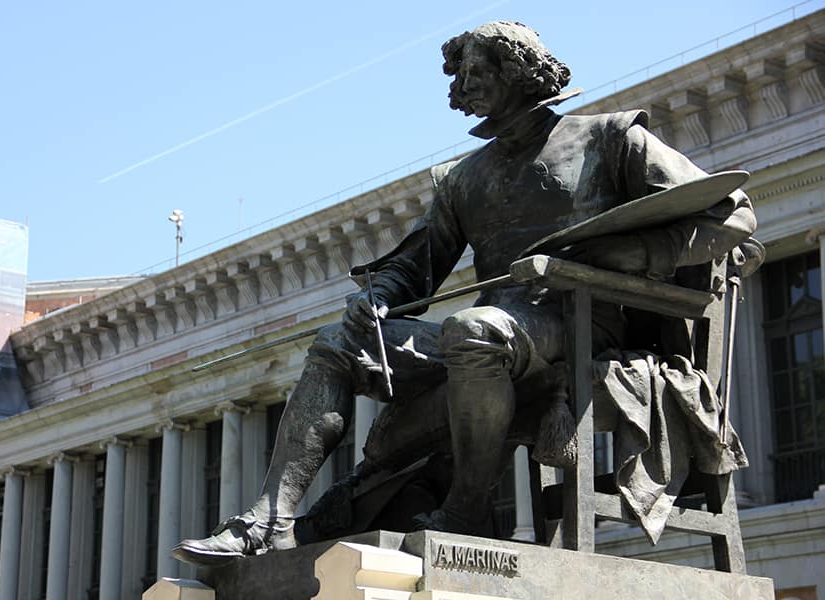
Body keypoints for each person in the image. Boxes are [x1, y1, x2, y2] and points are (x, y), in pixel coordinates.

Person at [173, 20, 756, 564]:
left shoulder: (608, 137)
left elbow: (735, 216)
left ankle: (469, 510)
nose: (464, 86)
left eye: (478, 71)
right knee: (337, 344)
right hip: (498, 331)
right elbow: (416, 271)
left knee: (473, 329)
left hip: (581, 327)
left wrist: (641, 254)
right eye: (459, 76)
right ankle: (269, 520)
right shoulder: (462, 178)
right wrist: (378, 297)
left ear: (520, 71)